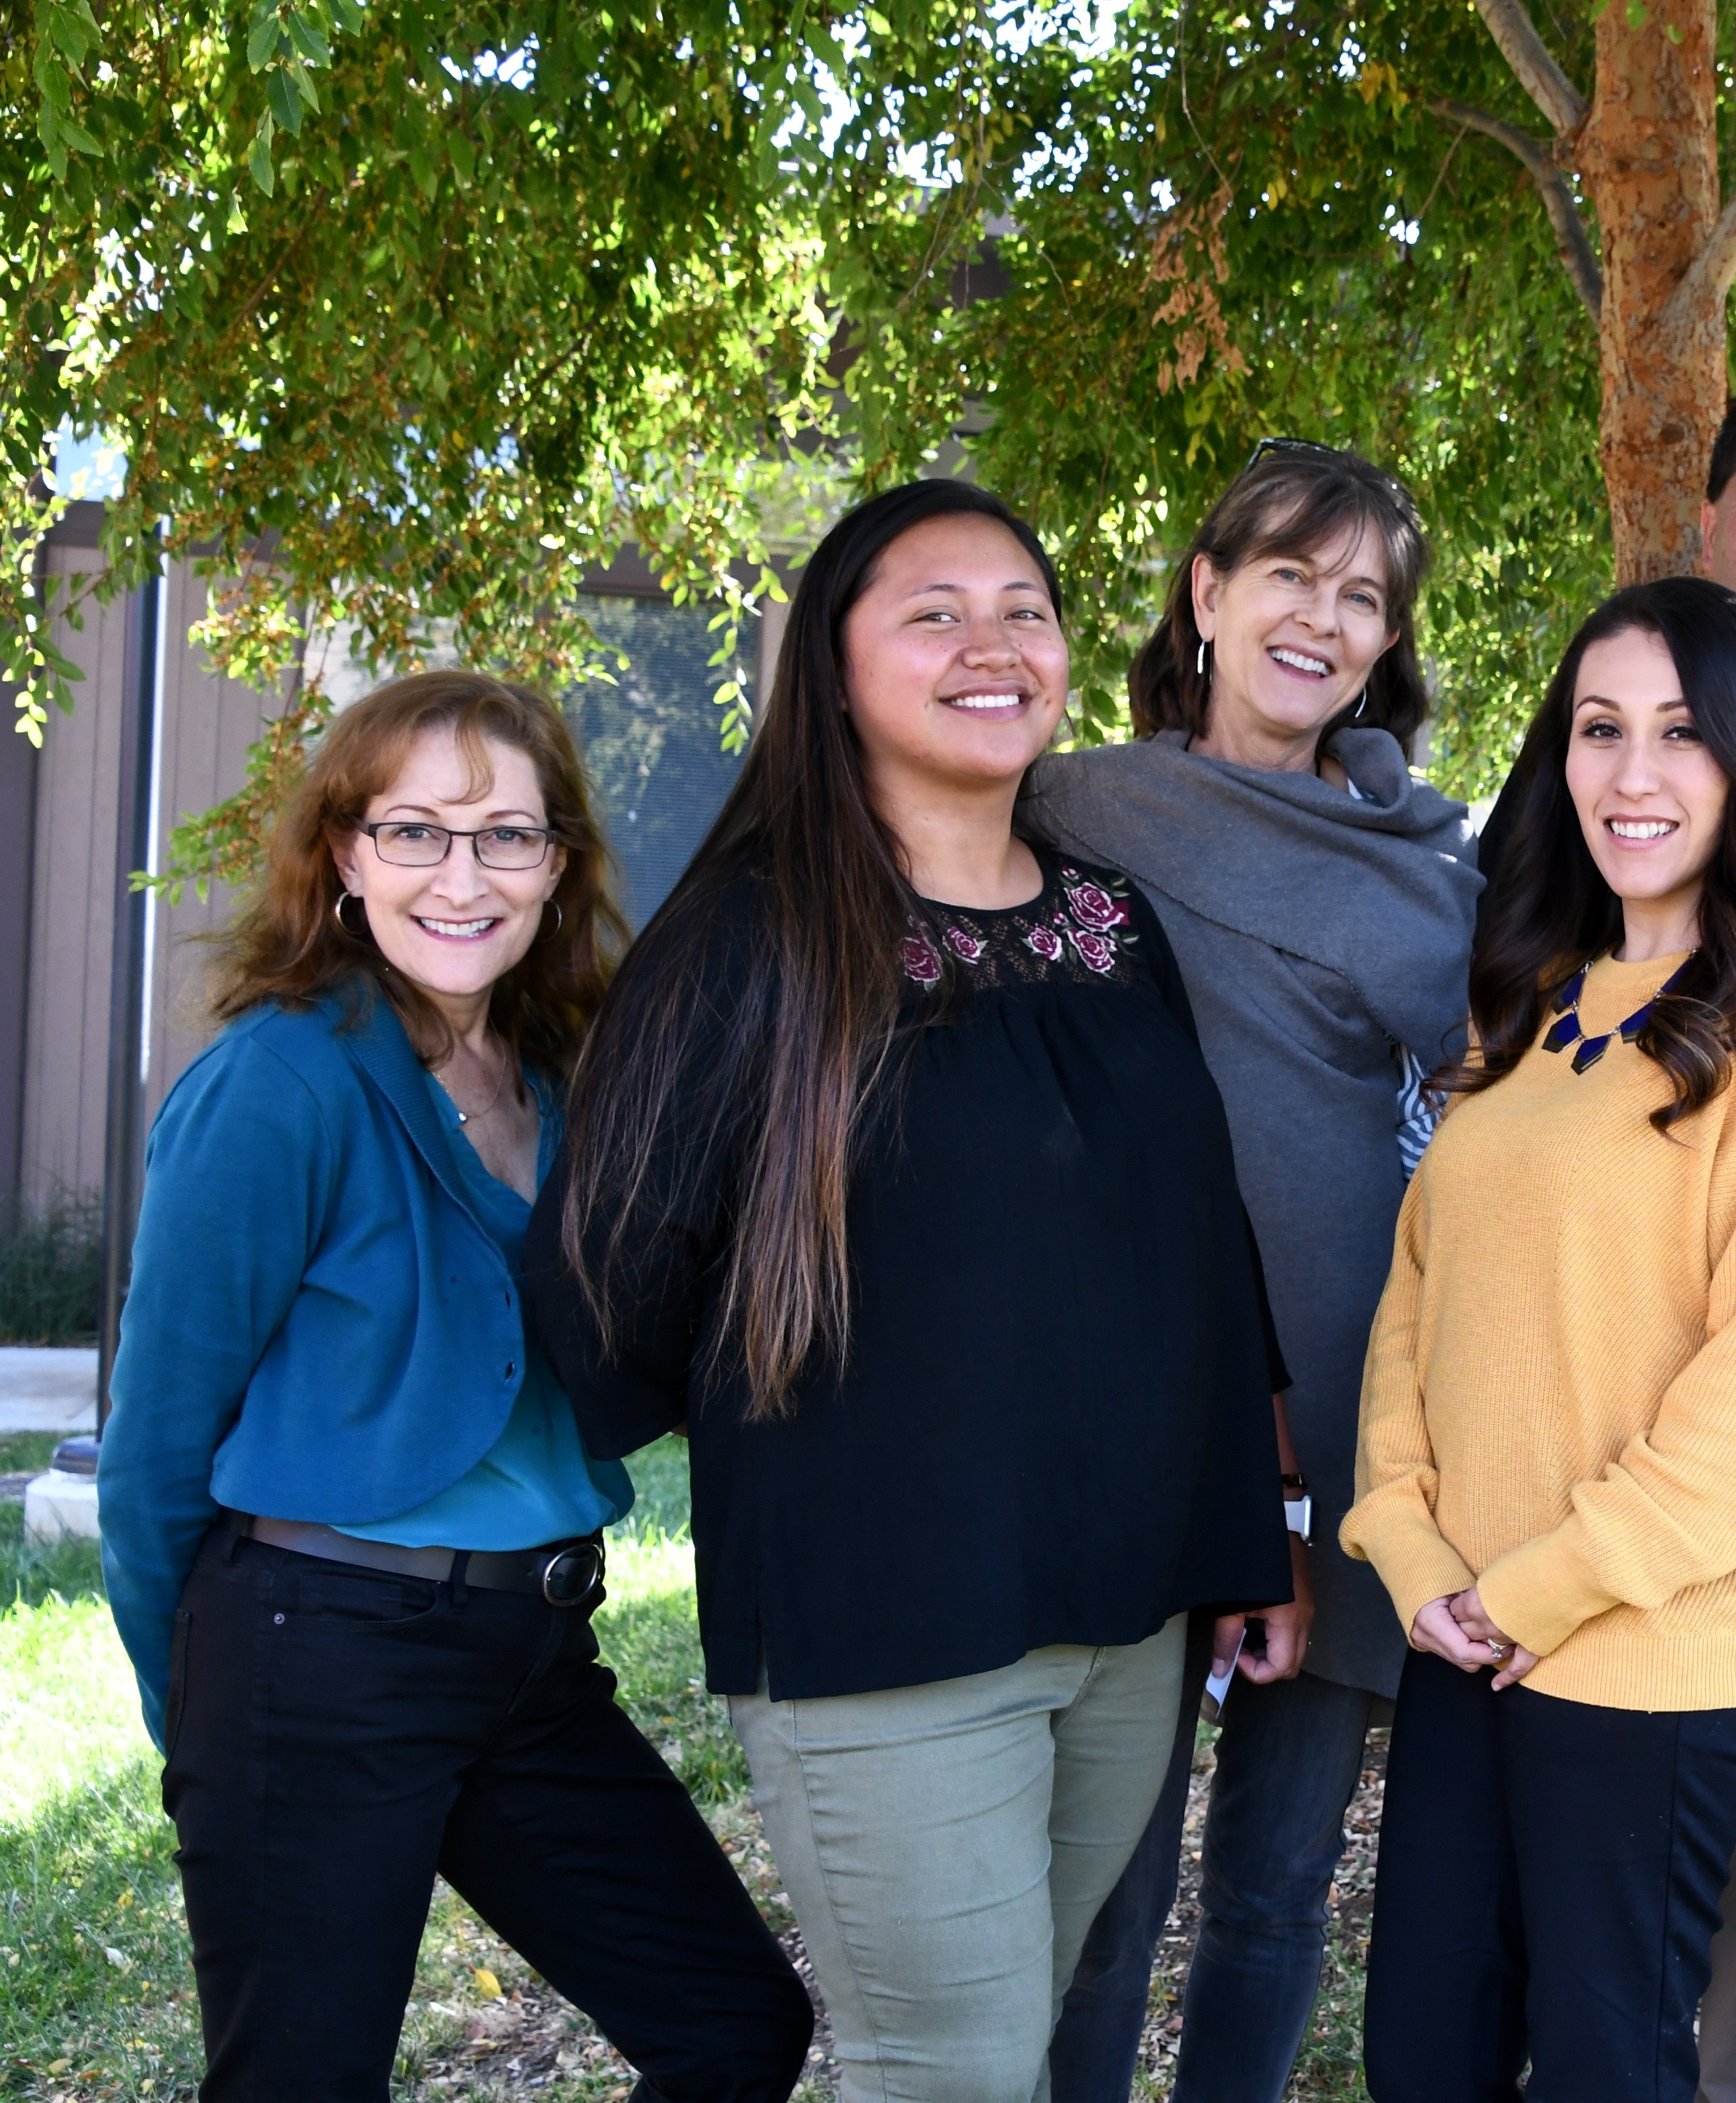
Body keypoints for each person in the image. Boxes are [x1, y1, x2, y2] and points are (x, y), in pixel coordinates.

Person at [526, 480, 1299, 2103]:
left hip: (1127, 1612)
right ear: (832, 663)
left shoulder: (1111, 926)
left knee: (1027, 2038)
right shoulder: (753, 936)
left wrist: (1246, 1532)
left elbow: (1198, 1246)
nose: (991, 645)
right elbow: (615, 1273)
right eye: (933, 614)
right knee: (948, 2068)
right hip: (883, 1617)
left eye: (1025, 609)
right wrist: (815, 1436)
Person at [100, 671, 813, 2102]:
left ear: (558, 863)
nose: (462, 876)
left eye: (507, 835)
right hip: (315, 1652)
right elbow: (155, 1449)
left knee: (735, 2026)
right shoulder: (279, 1084)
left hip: (534, 1656)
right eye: (415, 831)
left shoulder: (568, 1076)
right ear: (346, 853)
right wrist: (211, 1726)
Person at [1342, 576, 1736, 2103]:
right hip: (1463, 1629)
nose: (1633, 773)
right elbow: (1418, 1292)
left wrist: (1537, 1590)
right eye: (1600, 728)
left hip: (1647, 1649)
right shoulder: (1529, 999)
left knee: (1607, 2067)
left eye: (1682, 733)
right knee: (1424, 2058)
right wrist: (1407, 1539)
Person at [1030, 440, 1480, 2103]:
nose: (1320, 618)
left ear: (1387, 642)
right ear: (1208, 593)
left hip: (1362, 1407)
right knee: (1108, 1885)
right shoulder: (1073, 812)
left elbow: (1494, 1107)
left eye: (1361, 596)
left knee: (1278, 1885)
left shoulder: (1434, 862)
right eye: (1289, 573)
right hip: (1134, 1410)